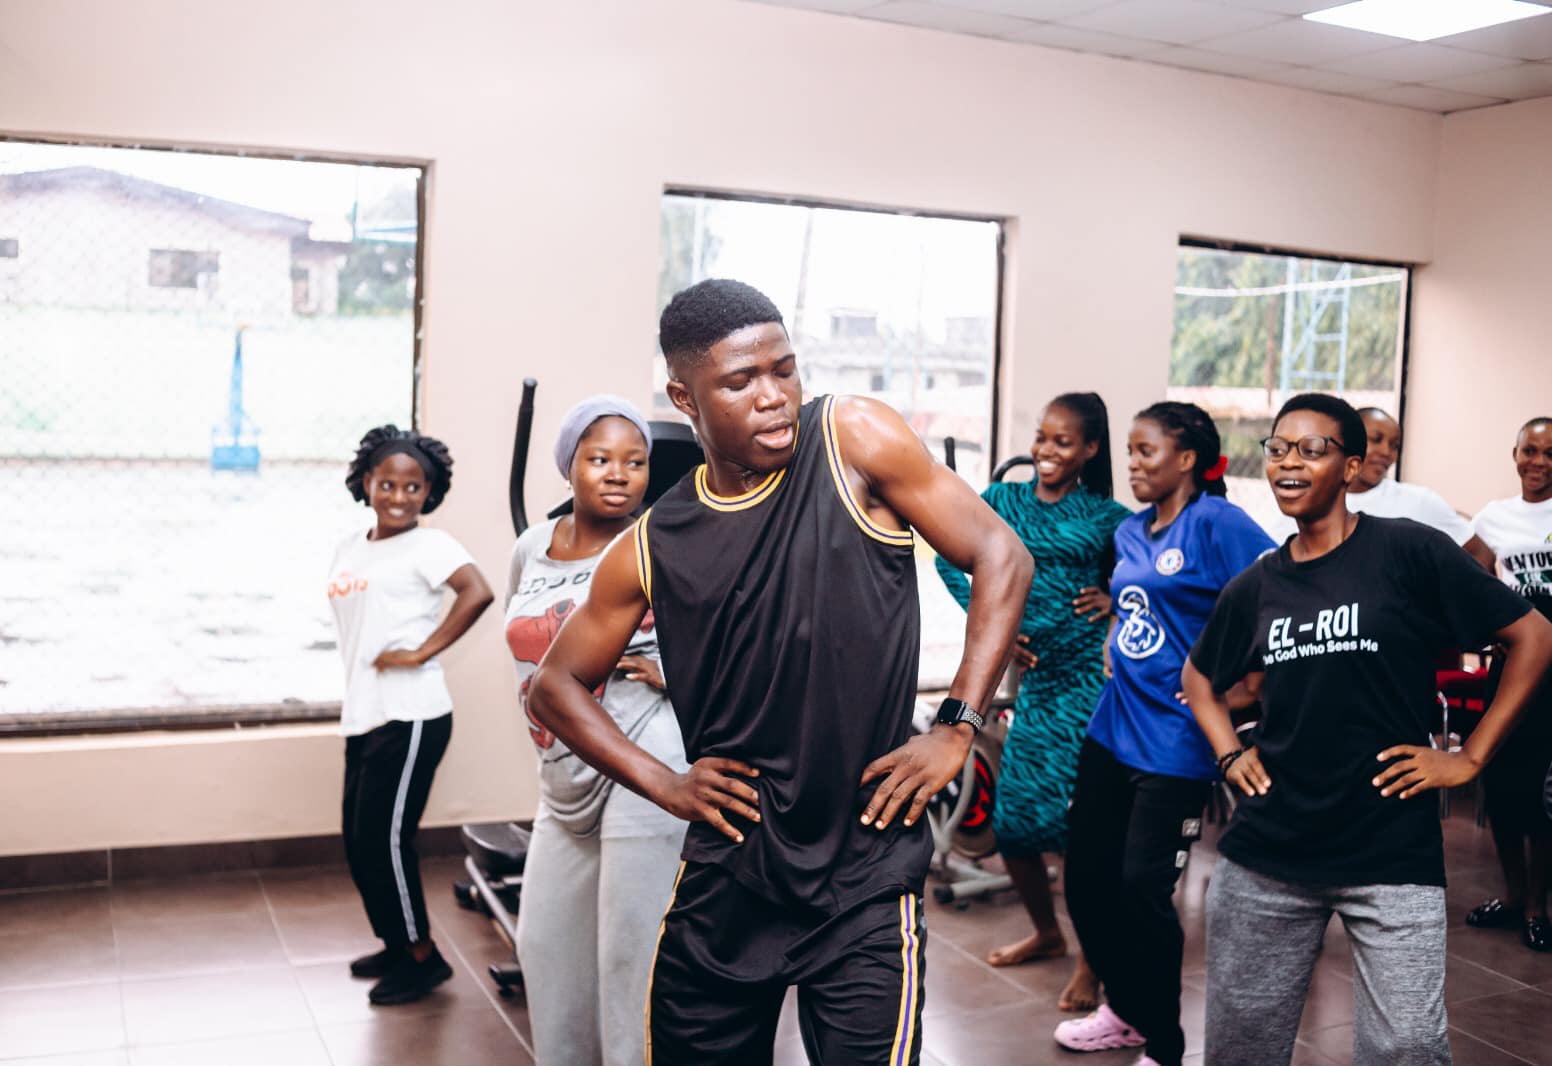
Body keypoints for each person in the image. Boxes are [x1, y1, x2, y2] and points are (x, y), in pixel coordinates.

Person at [528, 279, 1032, 1065]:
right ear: (685, 398)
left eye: (784, 370)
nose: (773, 396)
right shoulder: (655, 542)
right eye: (741, 381)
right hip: (727, 876)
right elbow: (554, 686)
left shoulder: (851, 438)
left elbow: (1000, 553)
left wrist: (958, 726)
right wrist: (665, 784)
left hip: (866, 872)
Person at [1182, 393, 1552, 1065]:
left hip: (1391, 849)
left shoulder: (1408, 551)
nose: (1289, 463)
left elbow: (1534, 636)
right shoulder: (1259, 585)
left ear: (1351, 468)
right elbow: (1199, 678)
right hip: (1270, 852)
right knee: (1243, 1049)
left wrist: (1470, 757)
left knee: (1409, 1046)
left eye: (1311, 450)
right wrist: (1230, 754)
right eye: (1278, 449)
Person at [1053, 401, 1274, 1066]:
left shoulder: (1218, 523)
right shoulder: (1131, 531)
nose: (1133, 463)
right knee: (1086, 881)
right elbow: (1136, 602)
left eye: (1145, 451)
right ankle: (1125, 1010)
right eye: (1130, 450)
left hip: (1177, 741)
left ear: (1187, 459)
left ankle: (1166, 1044)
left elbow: (1278, 597)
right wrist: (1117, 633)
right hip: (1112, 727)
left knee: (1143, 892)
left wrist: (1246, 688)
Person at [504, 396, 689, 1064]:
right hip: (563, 770)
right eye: (600, 459)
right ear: (570, 466)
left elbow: (739, 636)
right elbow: (525, 644)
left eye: (635, 463)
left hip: (646, 761)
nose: (618, 474)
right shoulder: (532, 546)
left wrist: (681, 675)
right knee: (545, 948)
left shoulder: (662, 543)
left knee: (629, 960)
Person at [935, 392, 1128, 1011]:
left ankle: (1094, 962)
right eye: (1042, 437)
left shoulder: (1108, 515)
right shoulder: (1004, 500)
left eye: (1062, 442)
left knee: (1078, 829)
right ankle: (1047, 932)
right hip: (1038, 683)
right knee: (1016, 823)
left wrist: (1117, 602)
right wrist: (996, 625)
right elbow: (947, 557)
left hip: (1089, 679)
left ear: (1089, 450)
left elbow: (1151, 573)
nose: (1045, 450)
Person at [328, 425, 493, 1005]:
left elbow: (477, 591)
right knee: (359, 840)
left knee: (387, 841)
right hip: (366, 711)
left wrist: (422, 651)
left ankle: (423, 959)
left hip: (412, 715)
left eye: (413, 487)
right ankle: (396, 944)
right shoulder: (351, 546)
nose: (399, 496)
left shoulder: (431, 545)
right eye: (387, 483)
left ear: (429, 491)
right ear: (366, 482)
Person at [1464, 415, 1552, 953]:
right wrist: (1487, 630)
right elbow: (1464, 579)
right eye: (1530, 451)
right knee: (1500, 783)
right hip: (1514, 665)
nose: (1539, 462)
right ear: (1515, 454)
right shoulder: (1495, 516)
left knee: (1543, 791)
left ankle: (1539, 905)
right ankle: (1514, 896)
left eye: (1550, 453)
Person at [1260, 407, 1493, 568]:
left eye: (1395, 445)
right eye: (1376, 439)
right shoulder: (1304, 509)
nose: (1386, 452)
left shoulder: (1419, 501)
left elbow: (1481, 555)